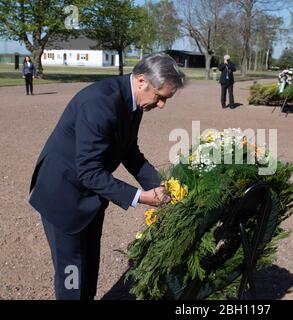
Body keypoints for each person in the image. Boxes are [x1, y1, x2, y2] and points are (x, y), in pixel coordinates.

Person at [28, 53, 186, 300]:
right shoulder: (101, 103)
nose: (162, 104)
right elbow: (89, 171)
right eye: (160, 97)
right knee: (72, 276)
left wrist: (163, 186)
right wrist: (141, 197)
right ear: (142, 80)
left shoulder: (134, 101)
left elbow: (129, 151)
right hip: (63, 197)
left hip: (91, 195)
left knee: (89, 268)